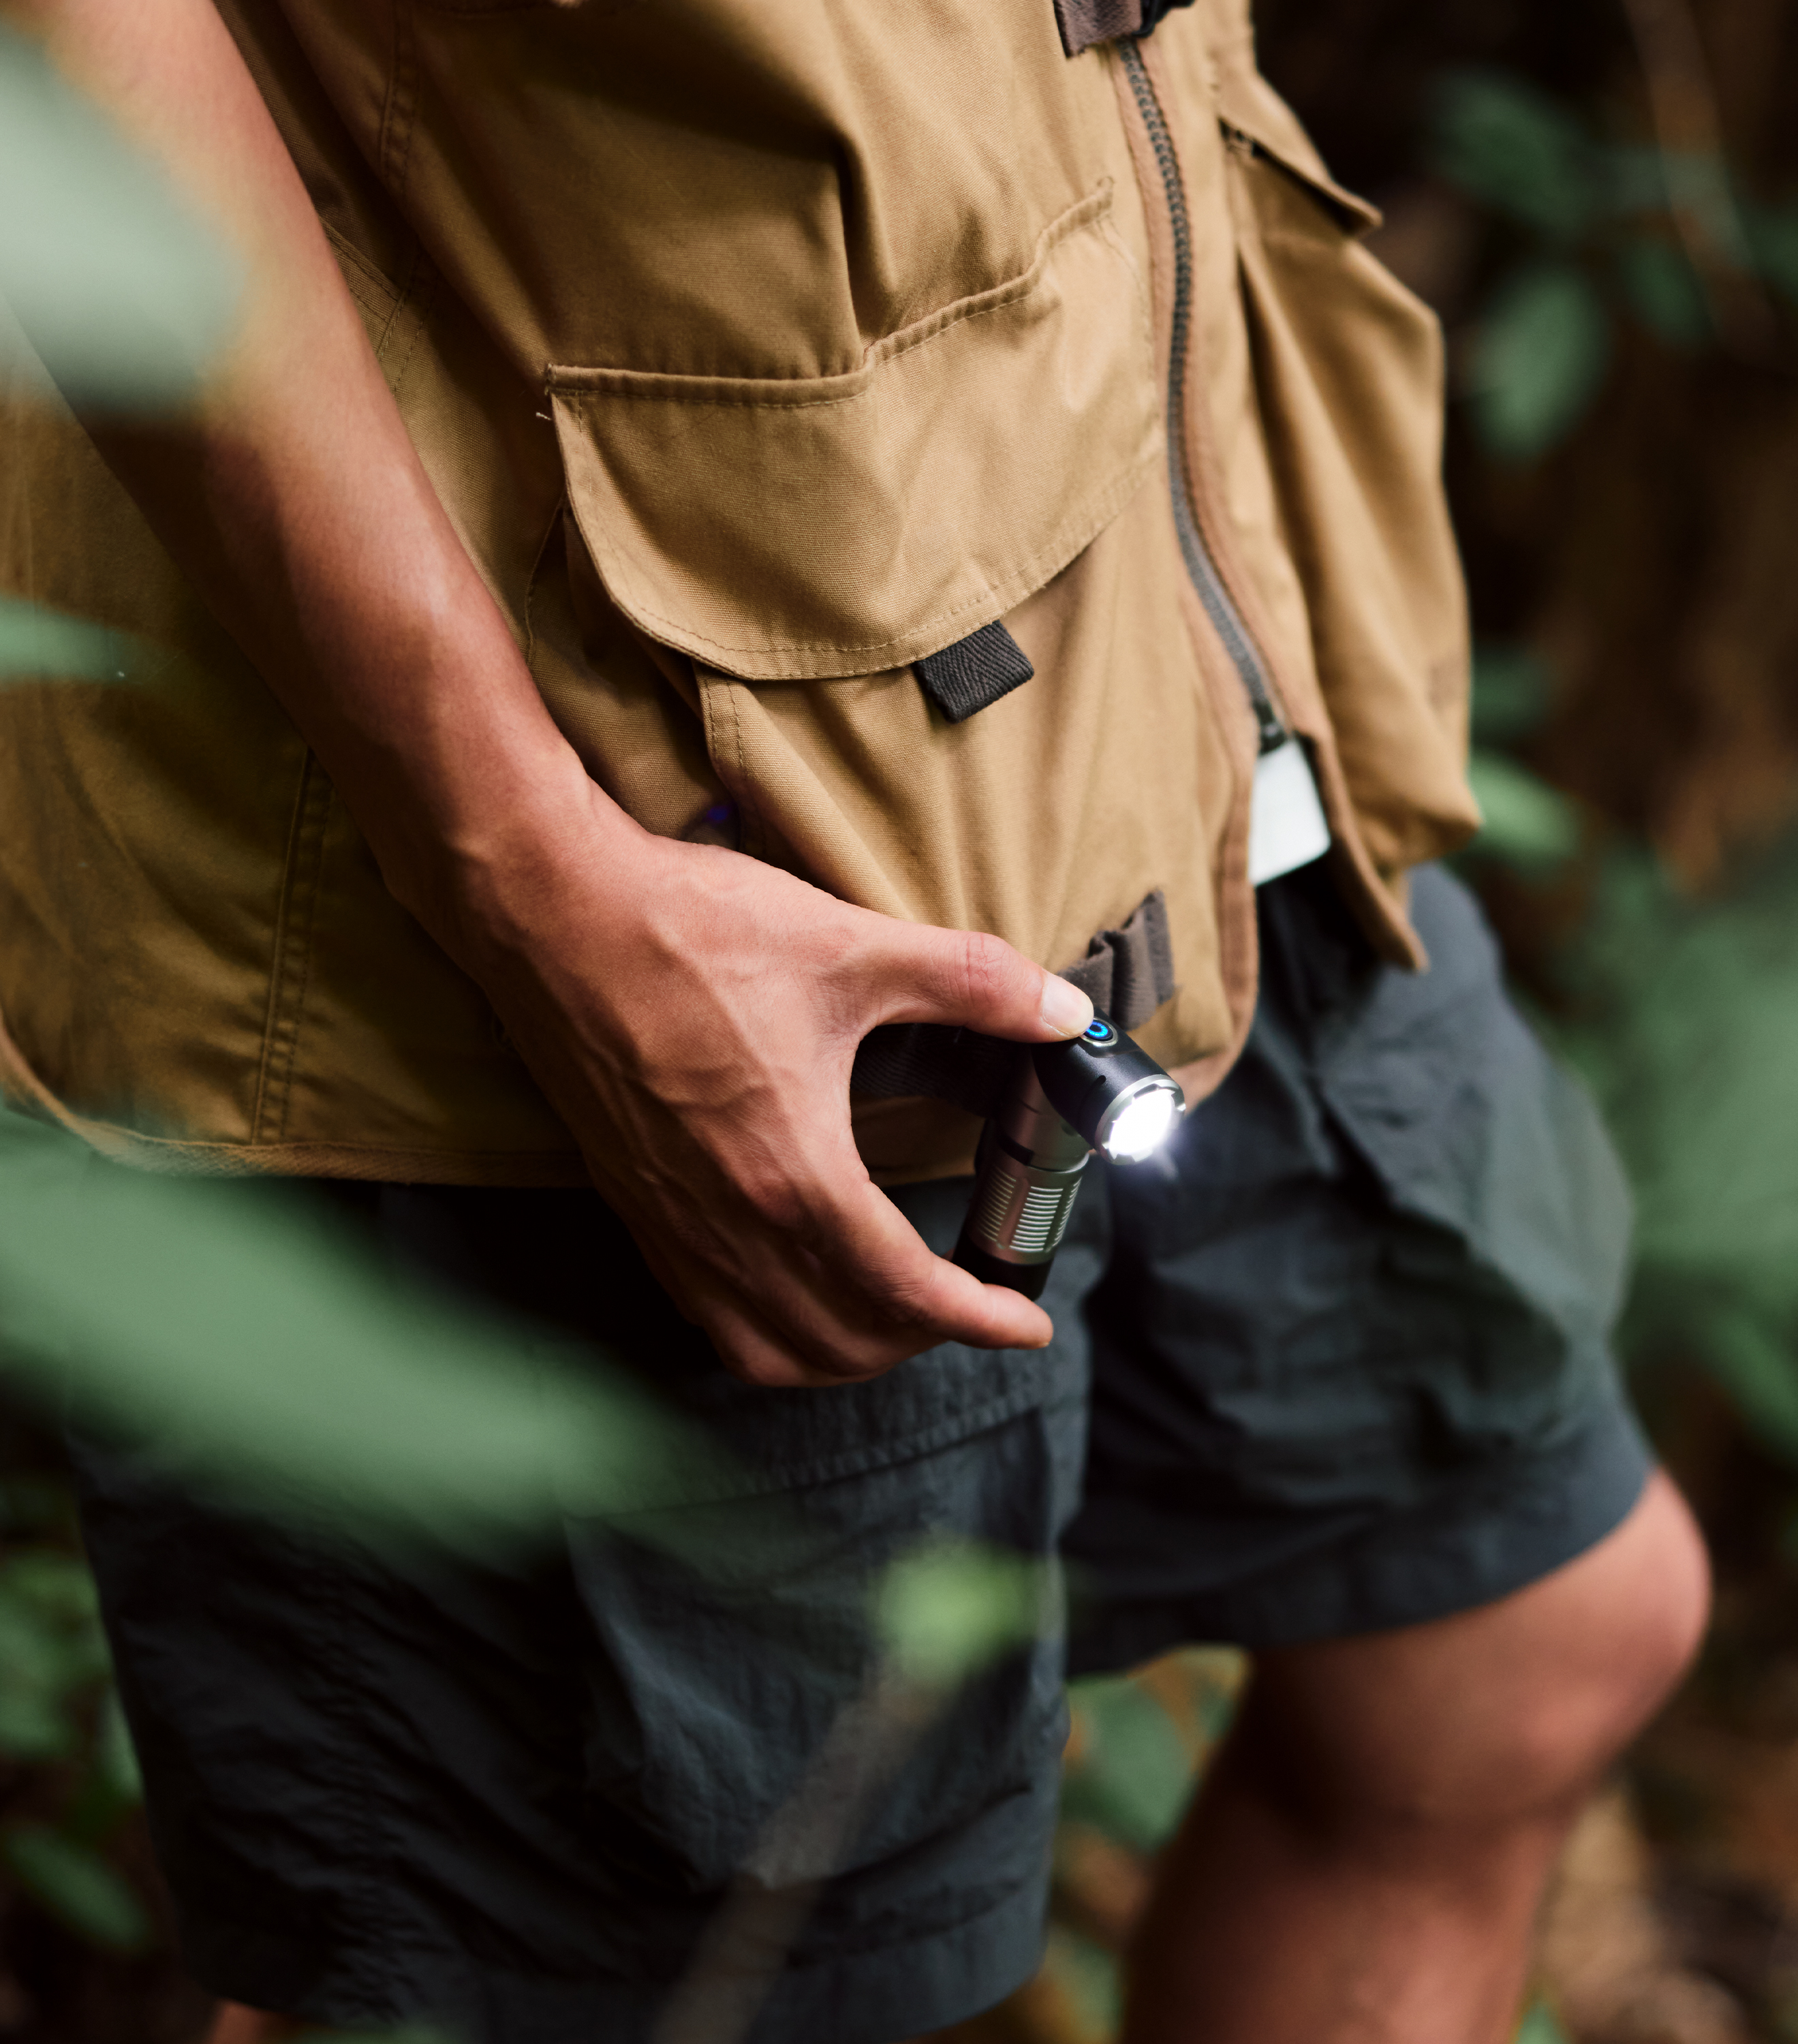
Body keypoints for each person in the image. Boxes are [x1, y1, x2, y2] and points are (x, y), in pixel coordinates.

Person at [0, 1, 1710, 2039]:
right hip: (625, 841)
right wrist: (531, 877)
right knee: (631, 1975)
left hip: (1157, 638)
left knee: (1507, 1636)